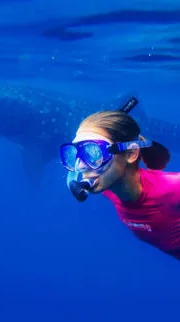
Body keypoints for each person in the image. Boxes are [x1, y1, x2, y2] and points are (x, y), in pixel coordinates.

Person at [59, 107, 180, 260]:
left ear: (131, 153)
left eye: (94, 152)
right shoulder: (107, 187)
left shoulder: (171, 188)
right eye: (74, 155)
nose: (81, 166)